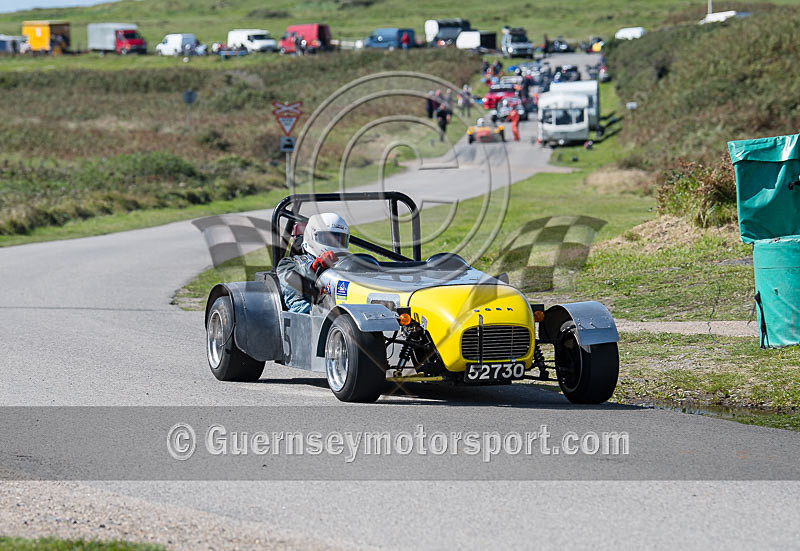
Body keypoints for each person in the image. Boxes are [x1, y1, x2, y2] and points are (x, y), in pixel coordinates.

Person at [276, 213, 350, 313]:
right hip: (308, 310)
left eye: (339, 239)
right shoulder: (289, 263)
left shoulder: (345, 263)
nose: (334, 244)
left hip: (344, 307)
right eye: (328, 239)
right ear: (311, 237)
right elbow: (288, 277)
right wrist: (314, 266)